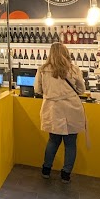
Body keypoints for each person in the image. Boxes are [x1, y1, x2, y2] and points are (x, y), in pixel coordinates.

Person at [34, 42, 87, 183]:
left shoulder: (42, 70)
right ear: (66, 52)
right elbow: (81, 90)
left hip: (53, 110)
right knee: (70, 144)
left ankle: (46, 170)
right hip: (72, 109)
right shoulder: (74, 69)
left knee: (53, 141)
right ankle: (66, 174)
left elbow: (37, 90)